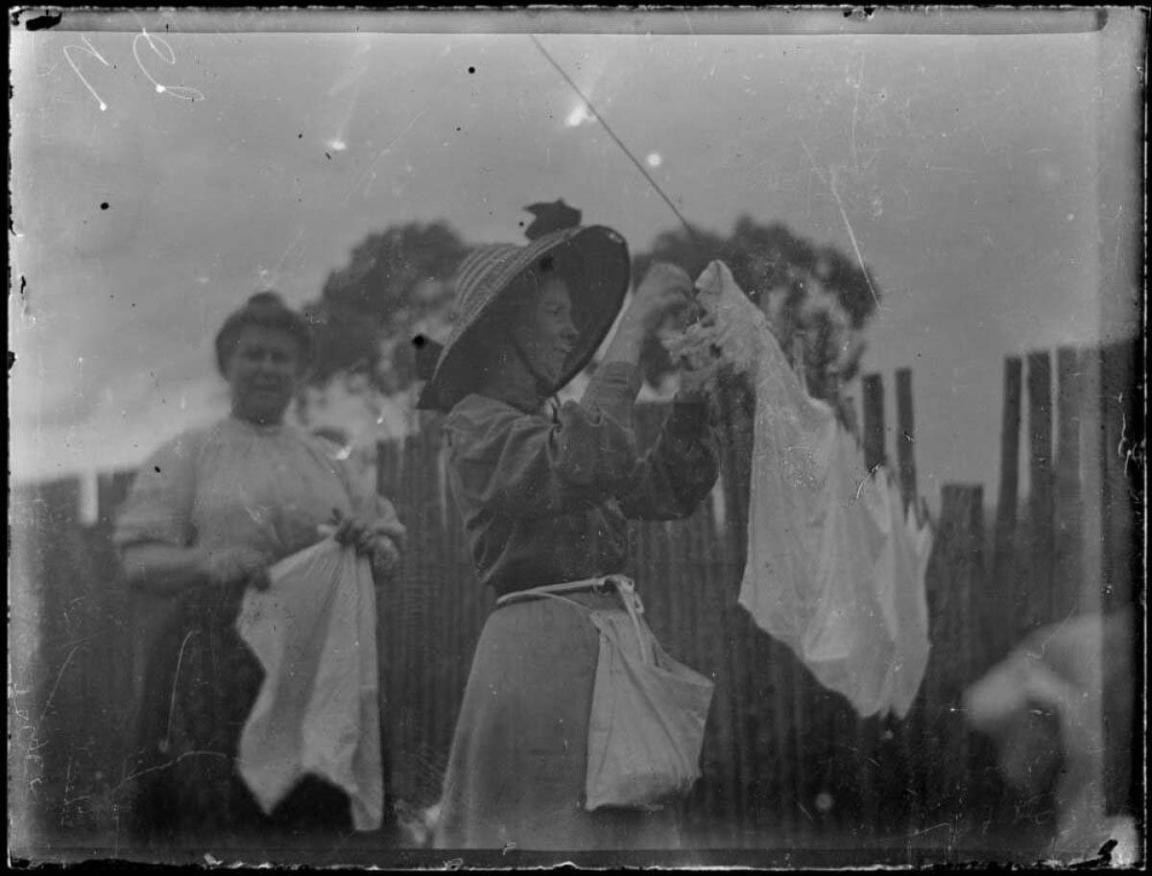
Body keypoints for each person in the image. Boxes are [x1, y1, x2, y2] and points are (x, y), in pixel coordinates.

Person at [415, 221, 721, 851]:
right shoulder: (475, 426)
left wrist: (692, 397)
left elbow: (661, 490)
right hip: (539, 662)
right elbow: (586, 460)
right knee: (548, 839)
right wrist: (633, 329)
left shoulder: (556, 422)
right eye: (554, 311)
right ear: (503, 330)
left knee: (616, 840)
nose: (571, 330)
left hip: (606, 656)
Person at [114, 291, 406, 849]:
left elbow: (384, 554)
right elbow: (137, 561)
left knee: (320, 802)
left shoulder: (327, 460)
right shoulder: (188, 454)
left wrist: (370, 545)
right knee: (220, 811)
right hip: (220, 657)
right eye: (254, 355)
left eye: (281, 358)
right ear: (228, 365)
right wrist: (207, 561)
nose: (267, 368)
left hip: (317, 661)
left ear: (301, 371)